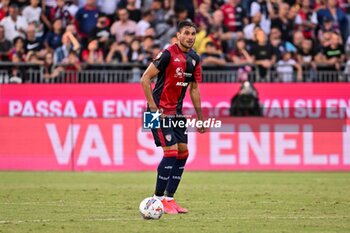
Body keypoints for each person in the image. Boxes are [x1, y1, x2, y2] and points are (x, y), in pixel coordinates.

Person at [140, 20, 205, 215]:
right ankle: (158, 200)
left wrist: (200, 116)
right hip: (157, 112)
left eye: (193, 33)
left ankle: (170, 198)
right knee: (171, 152)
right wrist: (153, 108)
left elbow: (194, 89)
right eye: (186, 33)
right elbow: (145, 78)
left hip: (176, 113)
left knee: (183, 153)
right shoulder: (168, 54)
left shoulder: (195, 58)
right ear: (178, 35)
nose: (190, 37)